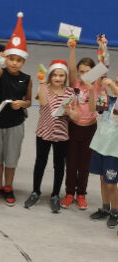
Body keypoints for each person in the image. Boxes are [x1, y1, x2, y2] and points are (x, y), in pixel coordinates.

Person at [0, 13, 32, 206]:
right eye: (11, 59)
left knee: (11, 158)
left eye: (18, 60)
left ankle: (8, 187)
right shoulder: (0, 74)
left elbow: (29, 100)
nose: (14, 63)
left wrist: (23, 104)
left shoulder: (26, 79)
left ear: (23, 62)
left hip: (15, 124)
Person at [24, 60, 78, 212]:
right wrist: (41, 83)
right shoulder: (44, 88)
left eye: (61, 75)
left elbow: (75, 114)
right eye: (55, 75)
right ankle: (35, 192)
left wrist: (70, 112)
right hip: (43, 132)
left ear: (65, 77)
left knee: (59, 165)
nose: (58, 78)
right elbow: (42, 102)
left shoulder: (70, 92)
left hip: (61, 135)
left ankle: (55, 194)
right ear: (50, 76)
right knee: (40, 162)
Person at [62, 37, 100, 209]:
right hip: (73, 128)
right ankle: (70, 192)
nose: (83, 75)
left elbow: (93, 107)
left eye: (87, 72)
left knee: (84, 164)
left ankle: (82, 194)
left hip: (90, 129)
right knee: (71, 163)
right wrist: (71, 49)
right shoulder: (75, 83)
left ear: (94, 73)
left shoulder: (96, 85)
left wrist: (102, 46)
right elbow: (71, 68)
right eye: (81, 72)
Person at [88, 76, 118, 229]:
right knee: (102, 179)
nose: (115, 85)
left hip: (113, 150)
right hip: (100, 146)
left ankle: (115, 212)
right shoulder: (108, 98)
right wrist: (95, 89)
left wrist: (112, 85)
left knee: (111, 183)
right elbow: (95, 109)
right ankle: (105, 207)